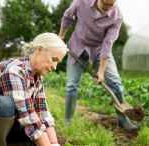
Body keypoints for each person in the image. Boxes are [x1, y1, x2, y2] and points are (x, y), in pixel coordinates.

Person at [59, 0, 138, 131]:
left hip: (100, 50)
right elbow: (68, 16)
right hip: (78, 46)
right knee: (71, 86)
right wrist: (61, 36)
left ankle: (123, 120)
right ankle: (68, 122)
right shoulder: (81, 2)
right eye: (105, 4)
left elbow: (108, 43)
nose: (107, 8)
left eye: (111, 5)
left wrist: (101, 71)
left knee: (116, 85)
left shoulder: (116, 16)